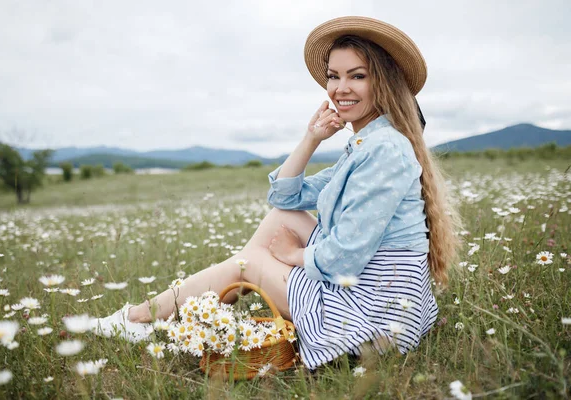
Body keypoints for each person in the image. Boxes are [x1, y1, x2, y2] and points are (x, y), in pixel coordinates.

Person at [91, 16, 461, 370]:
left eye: (357, 76)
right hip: (382, 302)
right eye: (334, 76)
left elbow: (345, 259)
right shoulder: (366, 145)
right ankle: (152, 313)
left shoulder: (383, 150)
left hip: (374, 321)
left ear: (383, 83)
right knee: (279, 220)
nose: (340, 88)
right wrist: (311, 138)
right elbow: (284, 198)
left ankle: (141, 317)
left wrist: (293, 255)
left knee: (248, 263)